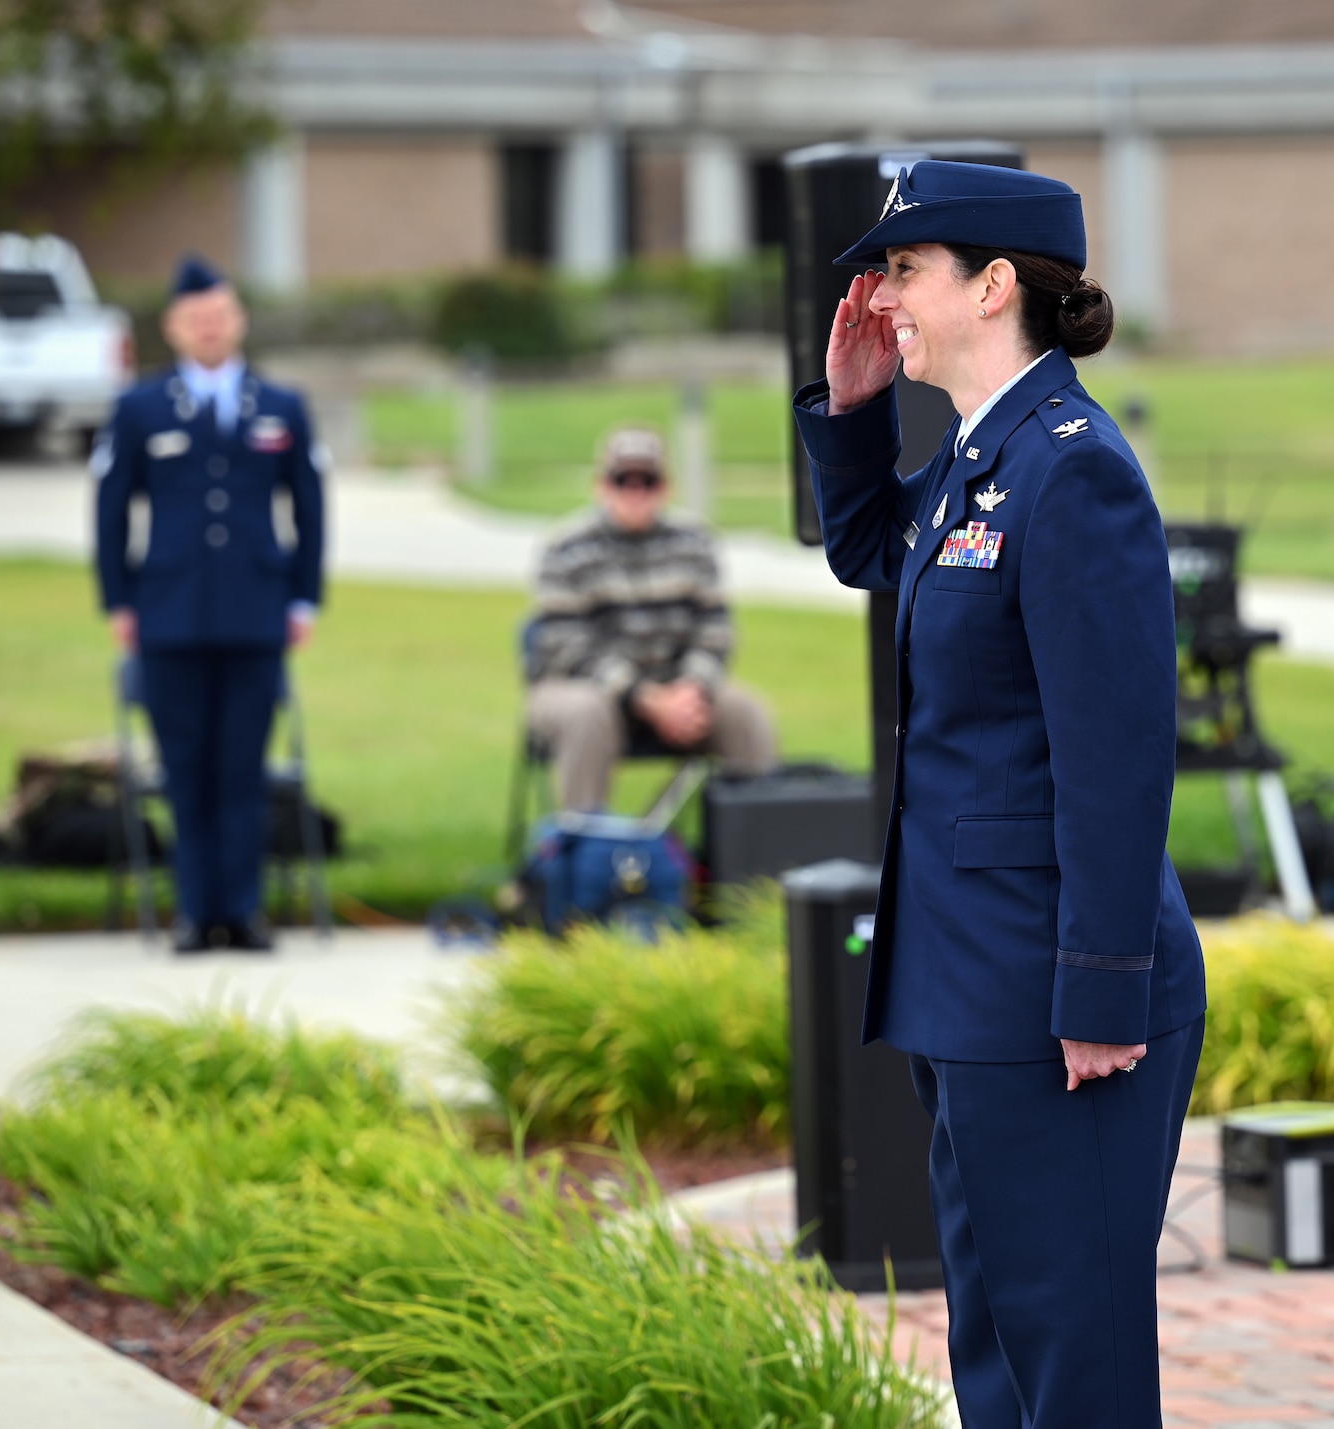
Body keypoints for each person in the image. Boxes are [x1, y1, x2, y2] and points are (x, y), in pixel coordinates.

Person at [793, 161, 1205, 1427]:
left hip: (1053, 995)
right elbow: (868, 548)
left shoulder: (1069, 467)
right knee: (999, 1346)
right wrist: (858, 408)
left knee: (1070, 1358)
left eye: (903, 270)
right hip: (969, 983)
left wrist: (1099, 991)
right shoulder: (985, 455)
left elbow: (1117, 754)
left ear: (993, 284)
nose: (878, 295)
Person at [94, 254, 326, 953]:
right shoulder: (139, 408)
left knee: (242, 769)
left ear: (239, 320)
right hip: (168, 610)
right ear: (172, 327)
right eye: (196, 318)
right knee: (186, 766)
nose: (209, 328)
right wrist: (118, 598)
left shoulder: (281, 407)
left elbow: (310, 508)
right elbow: (110, 512)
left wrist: (305, 597)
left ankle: (244, 912)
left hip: (257, 608)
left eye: (219, 315)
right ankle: (198, 912)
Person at [525, 426, 777, 810]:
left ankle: (752, 845)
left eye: (648, 480)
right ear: (601, 485)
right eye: (623, 480)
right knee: (586, 715)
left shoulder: (695, 543)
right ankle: (584, 848)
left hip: (677, 685)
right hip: (579, 688)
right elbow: (568, 649)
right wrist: (646, 699)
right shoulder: (565, 549)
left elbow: (715, 632)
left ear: (666, 487)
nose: (635, 492)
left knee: (745, 711)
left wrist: (692, 689)